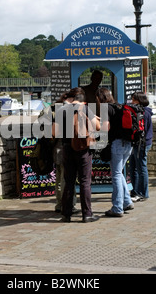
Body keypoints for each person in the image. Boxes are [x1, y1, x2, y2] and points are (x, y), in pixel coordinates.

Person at [53, 87, 101, 223]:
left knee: (69, 181)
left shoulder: (61, 110)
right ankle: (87, 214)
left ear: (73, 99)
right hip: (83, 149)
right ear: (83, 101)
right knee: (85, 182)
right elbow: (98, 127)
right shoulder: (86, 109)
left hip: (67, 148)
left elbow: (53, 132)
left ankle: (66, 214)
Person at [95, 88, 135, 218]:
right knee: (120, 173)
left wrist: (95, 123)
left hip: (116, 144)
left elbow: (105, 128)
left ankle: (117, 207)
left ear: (100, 98)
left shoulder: (106, 108)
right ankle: (127, 201)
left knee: (116, 174)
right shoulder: (120, 106)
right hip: (128, 144)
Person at [129, 92, 153, 202]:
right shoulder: (141, 112)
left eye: (133, 100)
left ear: (139, 101)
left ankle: (143, 193)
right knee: (133, 167)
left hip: (142, 143)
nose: (131, 102)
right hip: (138, 143)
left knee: (141, 168)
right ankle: (136, 190)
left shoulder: (144, 113)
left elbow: (143, 129)